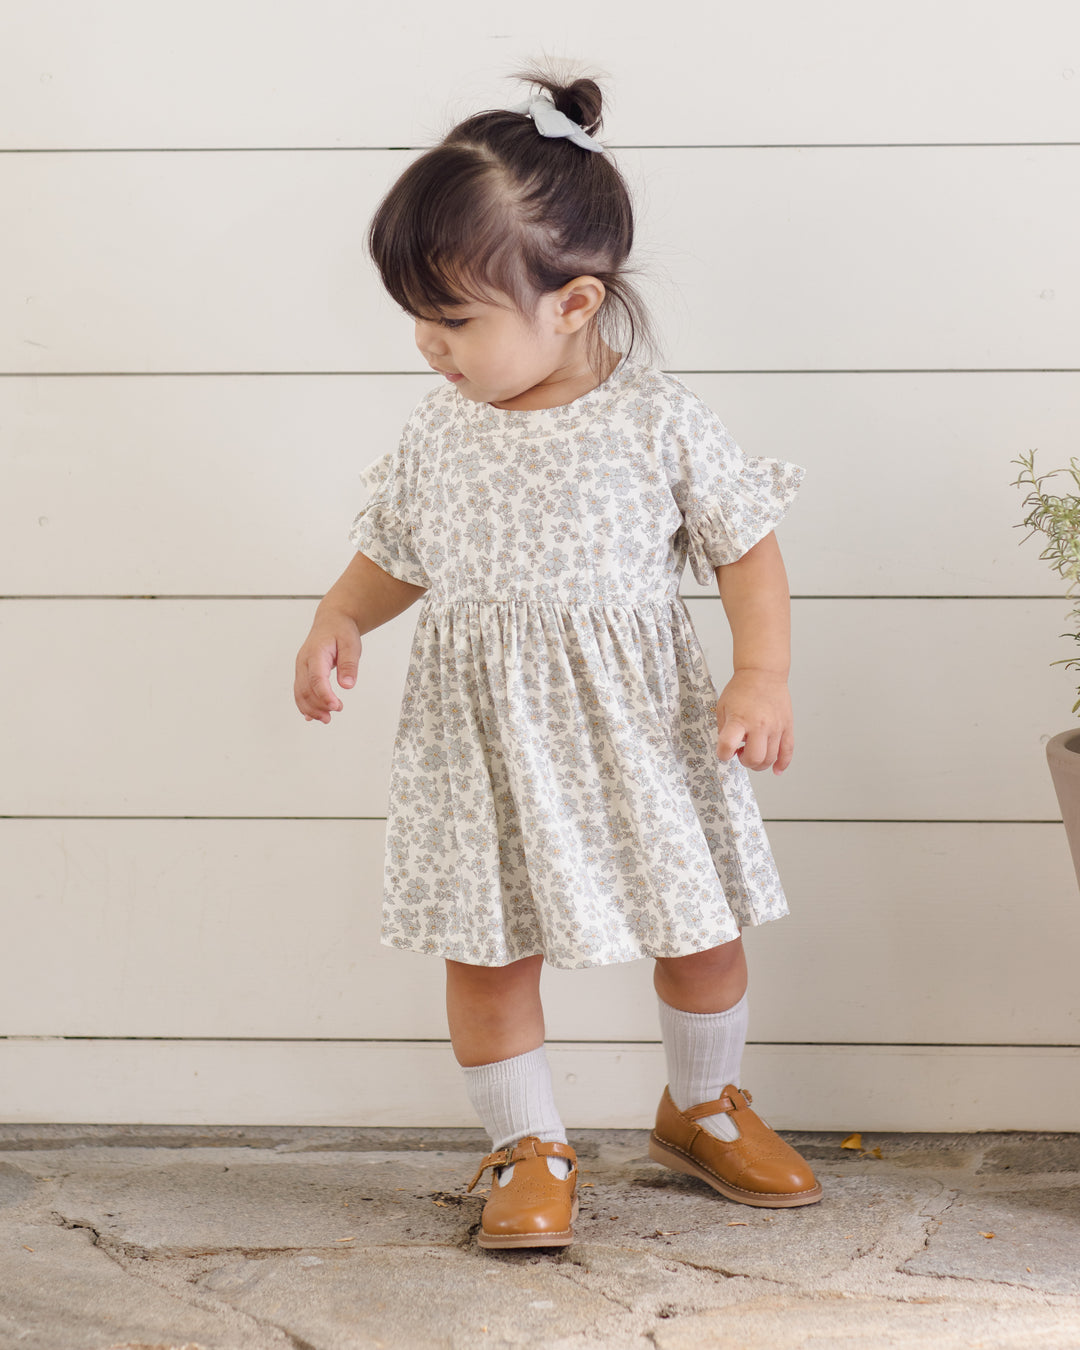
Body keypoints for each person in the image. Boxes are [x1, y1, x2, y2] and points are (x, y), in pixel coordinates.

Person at [294, 70, 822, 1250]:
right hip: (481, 742)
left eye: (458, 321)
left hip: (638, 734)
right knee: (489, 956)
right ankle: (526, 1143)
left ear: (574, 302)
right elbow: (400, 552)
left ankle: (701, 1105)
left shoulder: (656, 421)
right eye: (418, 322)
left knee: (702, 935)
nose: (433, 350)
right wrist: (340, 615)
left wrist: (763, 673)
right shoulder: (443, 426)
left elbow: (746, 547)